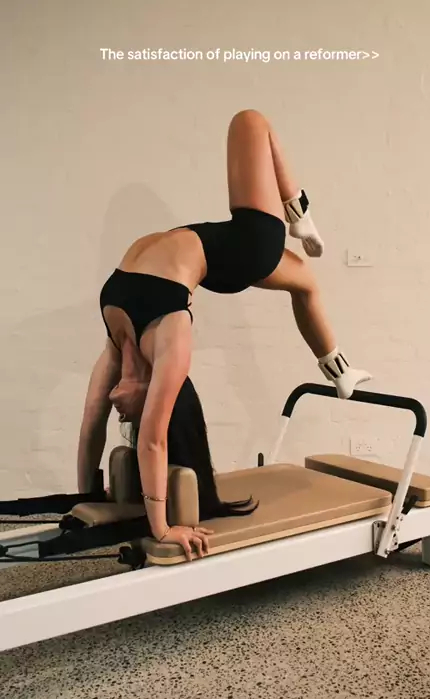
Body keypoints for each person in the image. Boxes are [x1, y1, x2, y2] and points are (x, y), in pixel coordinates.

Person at [77, 109, 371, 560]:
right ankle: (298, 212)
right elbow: (152, 437)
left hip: (219, 250)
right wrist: (161, 527)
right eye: (131, 414)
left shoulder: (117, 342)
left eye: (126, 415)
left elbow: (91, 424)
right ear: (153, 394)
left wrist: (84, 497)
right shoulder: (170, 334)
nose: (121, 412)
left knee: (306, 284)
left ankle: (340, 370)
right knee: (250, 121)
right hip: (245, 250)